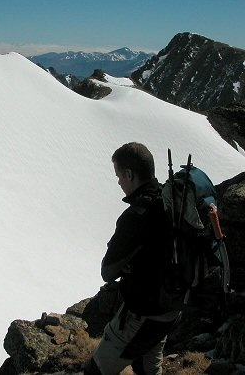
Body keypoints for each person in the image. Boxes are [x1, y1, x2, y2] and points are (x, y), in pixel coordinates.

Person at [84, 142, 181, 375]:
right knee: (147, 368)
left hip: (142, 313)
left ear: (129, 174)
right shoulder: (171, 202)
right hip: (171, 306)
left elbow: (108, 272)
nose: (118, 181)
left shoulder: (137, 215)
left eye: (119, 175)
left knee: (96, 371)